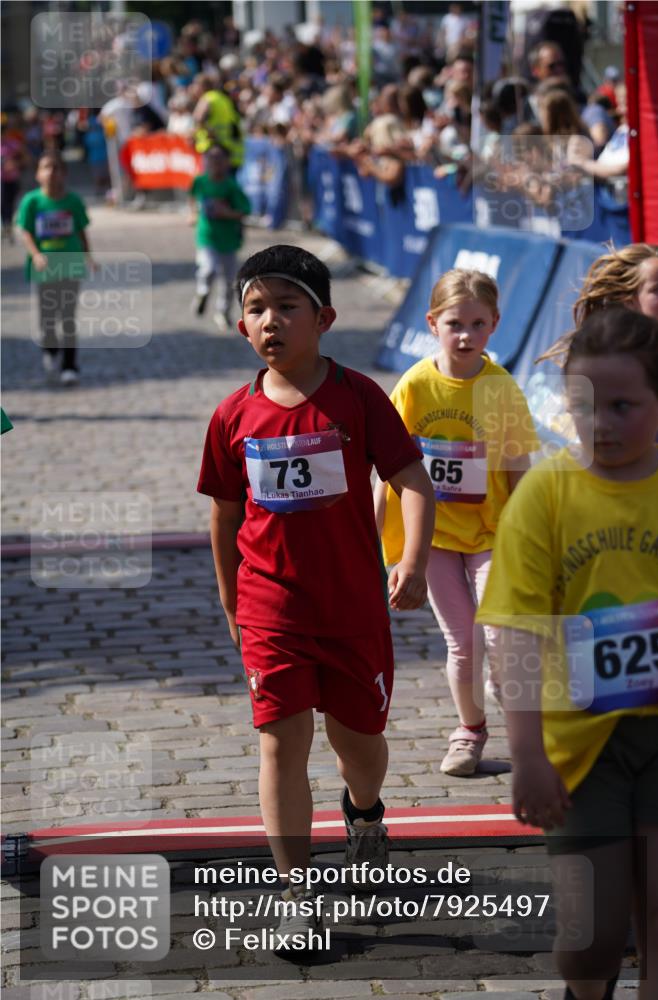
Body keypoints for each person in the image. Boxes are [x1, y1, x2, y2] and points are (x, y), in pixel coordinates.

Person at [197, 244, 434, 950]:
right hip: (270, 609)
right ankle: (296, 893)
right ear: (241, 325)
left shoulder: (359, 397)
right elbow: (224, 515)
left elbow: (411, 480)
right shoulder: (231, 416)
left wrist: (413, 561)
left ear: (324, 319)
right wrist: (232, 604)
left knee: (358, 743)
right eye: (256, 309)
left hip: (353, 608)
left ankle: (365, 815)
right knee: (280, 743)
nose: (271, 321)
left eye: (287, 306)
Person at [477, 307, 658, 1000]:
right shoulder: (545, 495)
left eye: (623, 406)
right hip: (577, 750)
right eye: (583, 405)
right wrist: (526, 754)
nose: (600, 423)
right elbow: (518, 632)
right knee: (590, 939)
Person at [374, 269, 539, 776]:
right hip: (435, 539)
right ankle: (470, 731)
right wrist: (372, 540)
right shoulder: (415, 385)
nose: (466, 335)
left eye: (477, 324)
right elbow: (386, 470)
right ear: (432, 323)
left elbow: (519, 466)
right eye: (454, 324)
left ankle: (518, 718)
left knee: (501, 638)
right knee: (463, 643)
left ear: (495, 324)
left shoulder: (501, 388)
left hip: (493, 533)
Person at [16, 152, 91, 386]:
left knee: (68, 316)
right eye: (46, 167)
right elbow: (26, 232)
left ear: (64, 173)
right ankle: (50, 350)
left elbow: (81, 231)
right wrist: (36, 255)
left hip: (70, 265)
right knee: (48, 317)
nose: (51, 172)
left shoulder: (73, 201)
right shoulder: (32, 201)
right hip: (45, 268)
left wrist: (88, 257)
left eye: (56, 168)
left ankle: (70, 366)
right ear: (38, 174)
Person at [189, 144, 251, 333]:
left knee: (229, 280)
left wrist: (227, 213)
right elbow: (192, 197)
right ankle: (202, 292)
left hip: (228, 239)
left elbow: (245, 210)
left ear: (227, 163)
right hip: (207, 235)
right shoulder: (200, 181)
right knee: (208, 268)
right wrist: (193, 213)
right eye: (211, 158)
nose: (215, 163)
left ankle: (223, 312)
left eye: (219, 159)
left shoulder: (231, 186)